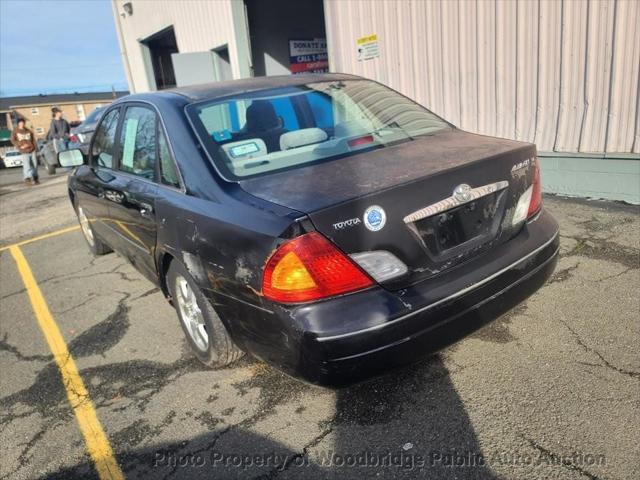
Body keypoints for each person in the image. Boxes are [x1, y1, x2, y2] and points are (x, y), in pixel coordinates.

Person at [10, 118, 39, 185]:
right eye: (20, 122)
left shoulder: (28, 130)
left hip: (32, 149)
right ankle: (27, 178)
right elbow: (13, 140)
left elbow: (33, 140)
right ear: (18, 123)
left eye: (23, 122)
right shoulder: (15, 131)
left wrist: (36, 148)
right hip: (24, 150)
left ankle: (35, 178)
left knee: (34, 165)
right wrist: (20, 145)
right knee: (27, 165)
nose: (22, 124)